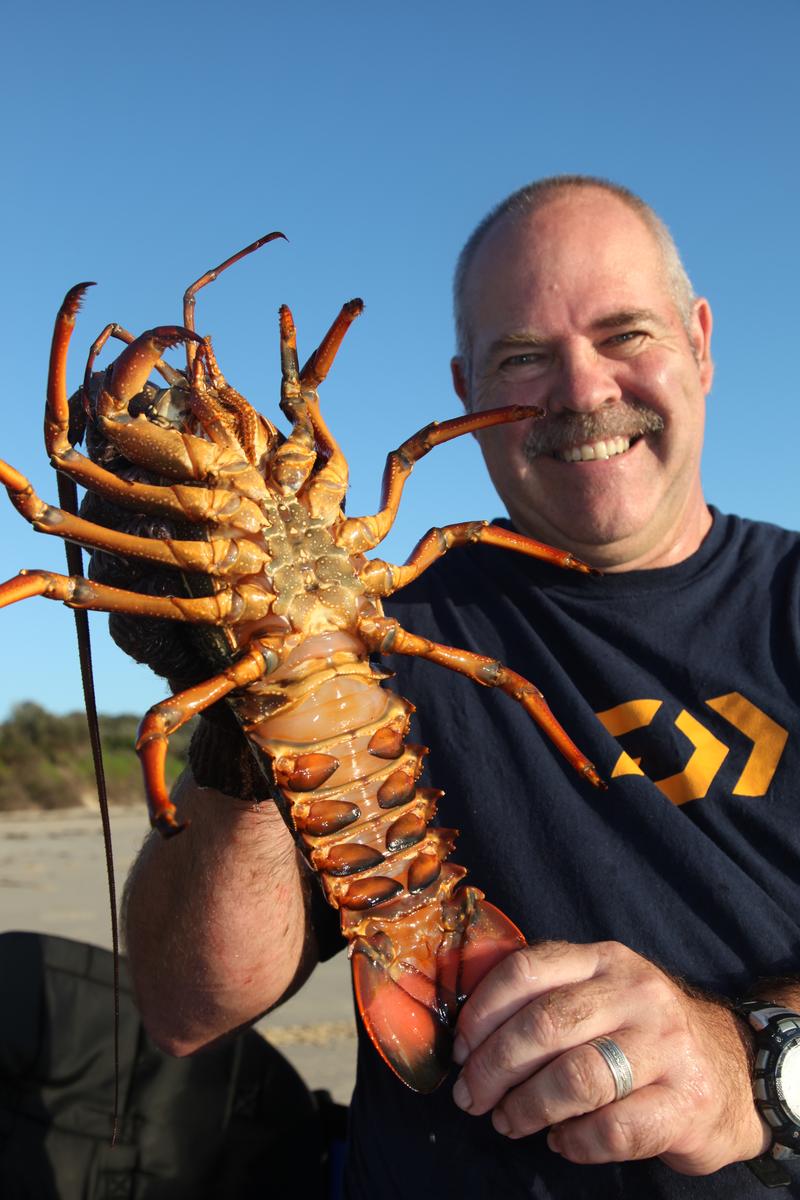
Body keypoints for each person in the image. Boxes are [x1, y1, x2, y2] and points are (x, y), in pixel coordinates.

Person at [123, 176, 800, 1197]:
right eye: (521, 357)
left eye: (626, 335)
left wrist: (750, 1062)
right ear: (460, 389)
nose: (577, 391)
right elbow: (183, 1008)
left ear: (698, 342)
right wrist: (235, 705)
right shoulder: (390, 628)